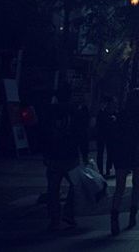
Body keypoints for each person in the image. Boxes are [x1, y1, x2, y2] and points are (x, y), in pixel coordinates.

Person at [40, 85, 89, 231]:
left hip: (53, 156)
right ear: (70, 95)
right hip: (71, 156)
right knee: (75, 185)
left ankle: (54, 218)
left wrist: (44, 153)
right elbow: (82, 136)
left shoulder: (50, 111)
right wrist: (85, 155)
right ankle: (68, 213)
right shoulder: (76, 112)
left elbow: (44, 134)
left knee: (53, 189)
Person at [110, 88, 139, 236]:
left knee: (119, 187)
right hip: (136, 152)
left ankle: (114, 216)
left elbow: (115, 134)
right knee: (136, 183)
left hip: (121, 153)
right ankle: (133, 213)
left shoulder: (121, 114)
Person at [95, 96, 116, 177]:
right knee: (103, 152)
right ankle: (102, 169)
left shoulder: (111, 112)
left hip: (107, 134)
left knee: (109, 152)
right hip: (103, 134)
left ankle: (107, 169)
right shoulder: (103, 112)